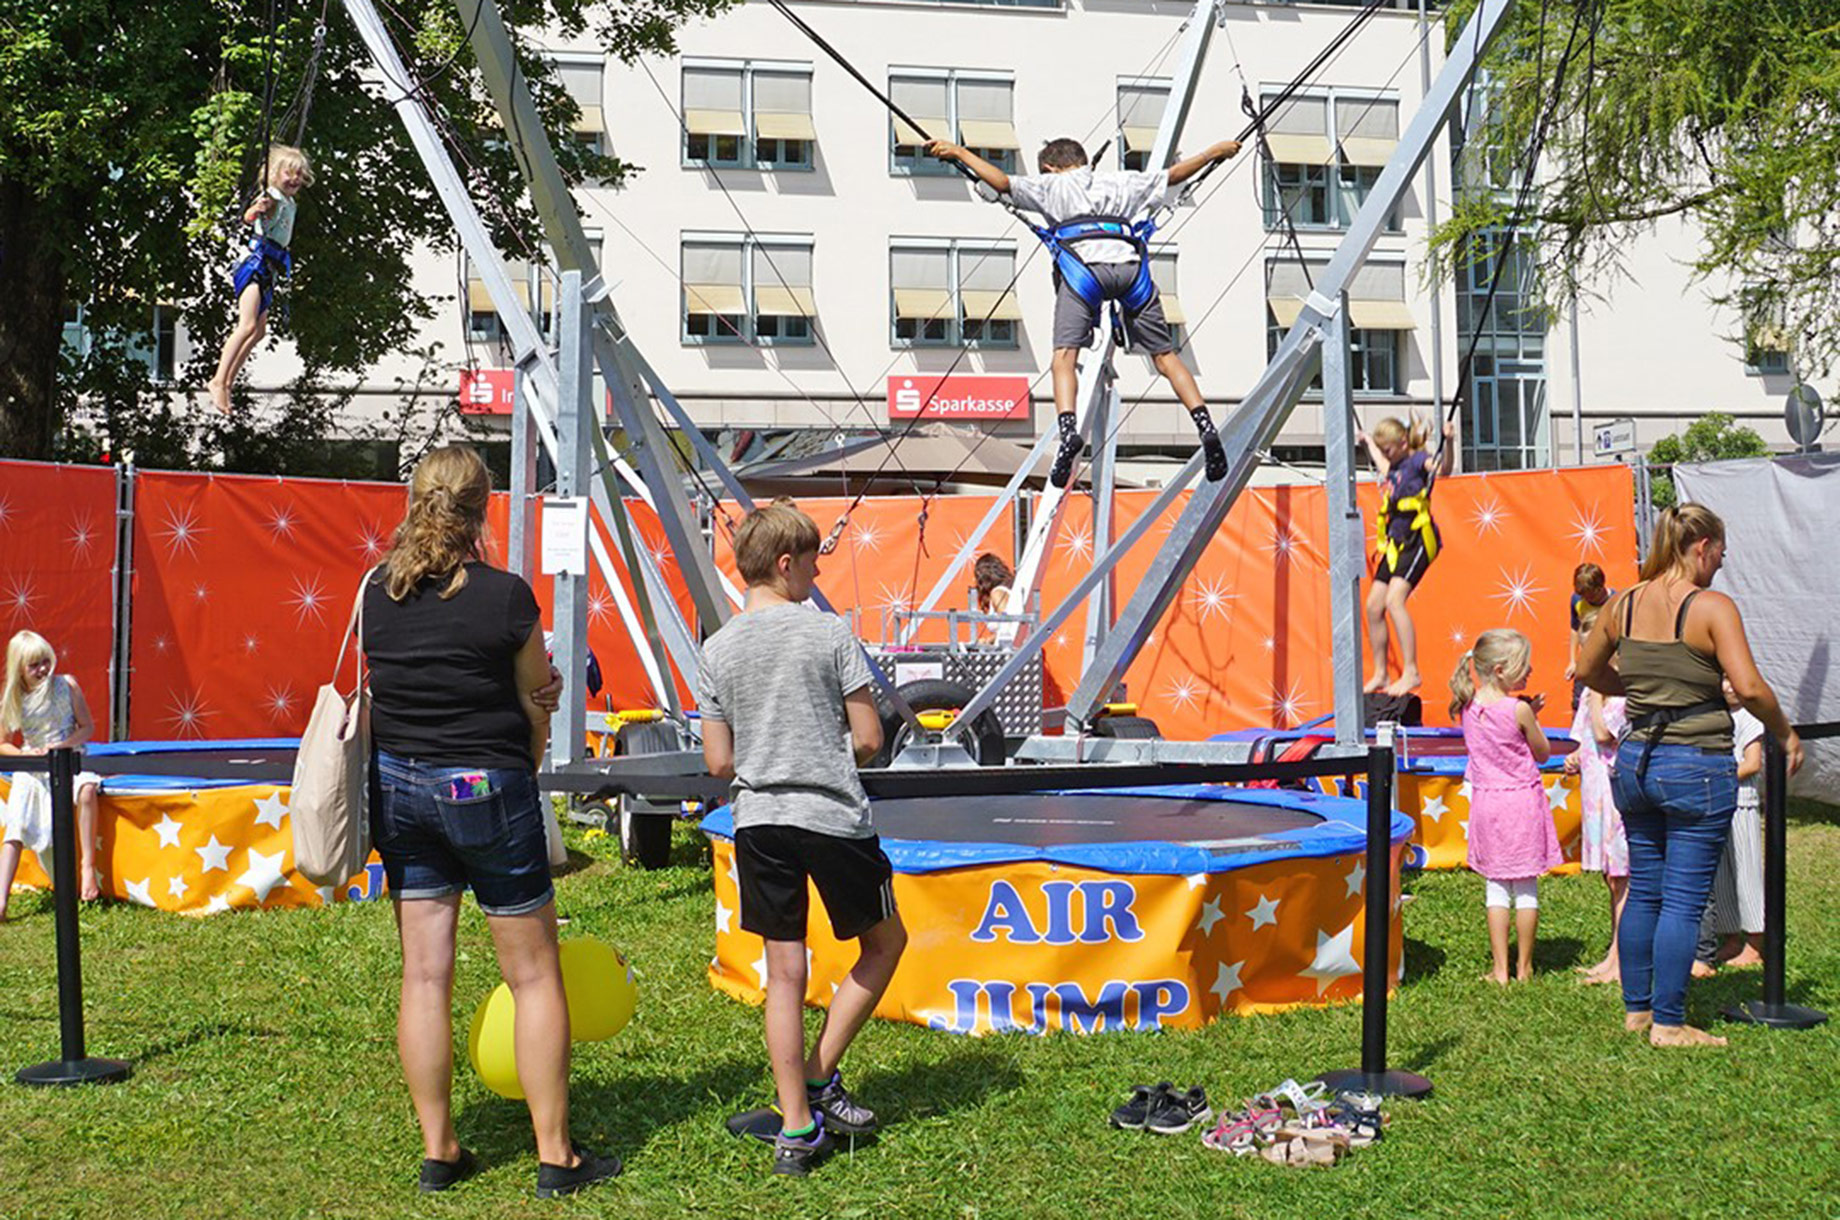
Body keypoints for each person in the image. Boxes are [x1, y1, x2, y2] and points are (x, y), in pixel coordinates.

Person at [361, 445, 618, 1196]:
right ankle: (554, 1155)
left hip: (399, 789)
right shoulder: (506, 597)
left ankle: (440, 1150)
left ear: (415, 502)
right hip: (486, 786)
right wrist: (537, 712)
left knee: (424, 975)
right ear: (482, 508)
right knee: (535, 976)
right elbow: (539, 696)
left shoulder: (376, 591)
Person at [698, 501, 907, 1177]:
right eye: (813, 562)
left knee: (783, 975)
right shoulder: (829, 635)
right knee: (884, 944)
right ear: (787, 565)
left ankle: (795, 1127)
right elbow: (870, 740)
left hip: (759, 822)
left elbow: (719, 764)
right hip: (833, 819)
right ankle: (819, 1076)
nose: (818, 575)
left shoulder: (717, 648)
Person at [1577, 503, 1803, 1049]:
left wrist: (1637, 689)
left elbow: (1585, 670)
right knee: (1682, 898)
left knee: (1648, 889)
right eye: (1719, 555)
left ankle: (1637, 1009)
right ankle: (1670, 1022)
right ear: (1701, 547)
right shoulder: (1712, 607)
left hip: (1636, 761)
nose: (1720, 565)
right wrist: (1785, 732)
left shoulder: (1623, 602)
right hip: (1696, 762)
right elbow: (1748, 687)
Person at [925, 136, 1240, 489]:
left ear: (1049, 166)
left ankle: (1068, 433)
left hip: (1083, 271)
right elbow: (1175, 175)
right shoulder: (1122, 180)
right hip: (1130, 268)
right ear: (1084, 160)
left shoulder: (1050, 186)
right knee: (1165, 356)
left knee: (1064, 356)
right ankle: (1205, 425)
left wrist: (959, 152)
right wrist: (1214, 153)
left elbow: (1000, 182)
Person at [1450, 628, 1559, 985]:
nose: (1529, 672)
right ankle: (1524, 967)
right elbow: (1542, 752)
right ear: (1500, 669)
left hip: (1487, 802)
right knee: (1525, 888)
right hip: (1521, 802)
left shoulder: (1467, 706)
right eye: (1522, 666)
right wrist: (1533, 716)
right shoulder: (1519, 709)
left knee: (1496, 887)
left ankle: (1500, 969)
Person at [0, 631, 104, 914]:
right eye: (34, 665)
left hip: (69, 760)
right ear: (20, 668)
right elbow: (3, 744)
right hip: (33, 768)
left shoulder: (67, 685)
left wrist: (62, 745)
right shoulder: (15, 697)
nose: (43, 669)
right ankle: (1, 899)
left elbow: (86, 727)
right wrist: (25, 754)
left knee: (87, 790)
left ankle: (87, 868)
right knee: (16, 824)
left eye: (45, 661)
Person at [208, 144, 314, 414]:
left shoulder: (289, 201)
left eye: (299, 176)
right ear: (274, 175)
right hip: (254, 264)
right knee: (246, 325)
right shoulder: (273, 196)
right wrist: (257, 210)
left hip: (270, 267)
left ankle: (228, 382)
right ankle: (219, 381)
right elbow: (251, 215)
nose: (294, 180)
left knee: (259, 331)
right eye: (289, 174)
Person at [1361, 415, 1456, 696]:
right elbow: (1381, 459)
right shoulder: (1395, 465)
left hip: (1418, 540)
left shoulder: (1417, 461)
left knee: (1394, 600)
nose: (1386, 455)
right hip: (1396, 543)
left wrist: (1448, 442)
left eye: (1388, 449)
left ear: (1402, 443)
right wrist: (1367, 440)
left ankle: (1411, 671)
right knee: (1373, 606)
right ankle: (1381, 673)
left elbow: (1444, 469)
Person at [1692, 677, 1766, 976]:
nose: (1728, 687)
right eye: (1723, 680)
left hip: (1742, 802)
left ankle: (1757, 943)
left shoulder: (1751, 717)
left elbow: (1752, 763)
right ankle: (1731, 936)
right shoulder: (1717, 715)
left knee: (1746, 872)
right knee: (1721, 874)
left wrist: (1718, 775)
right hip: (1717, 803)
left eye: (1734, 680)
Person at [1563, 684, 1629, 984]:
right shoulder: (1592, 692)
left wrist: (1597, 698)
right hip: (1595, 794)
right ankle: (1614, 952)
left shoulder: (1625, 694)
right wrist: (1576, 757)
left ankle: (1622, 957)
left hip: (1617, 792)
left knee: (1623, 876)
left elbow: (1605, 734)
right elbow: (1586, 737)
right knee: (1610, 877)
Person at [1565, 563, 1613, 709]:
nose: (1586, 598)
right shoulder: (1577, 601)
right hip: (1587, 660)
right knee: (1579, 702)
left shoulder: (1615, 602)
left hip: (1608, 662)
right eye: (1582, 594)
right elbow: (1575, 628)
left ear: (1600, 587)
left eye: (1590, 594)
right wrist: (1573, 660)